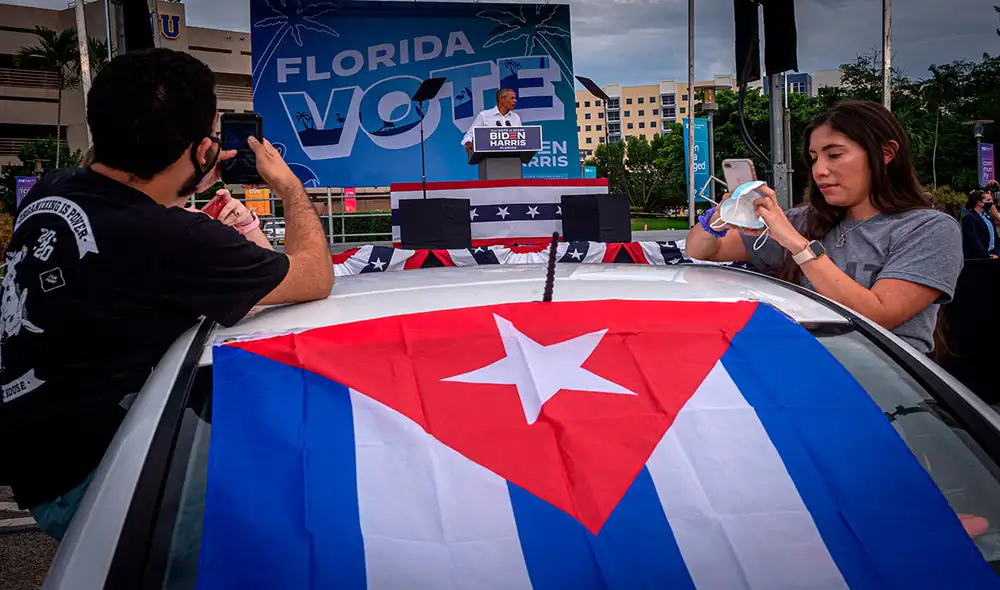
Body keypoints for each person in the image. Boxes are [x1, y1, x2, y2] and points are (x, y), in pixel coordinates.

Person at [0, 48, 334, 540]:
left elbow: (121, 195)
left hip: (35, 462)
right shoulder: (173, 240)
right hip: (101, 483)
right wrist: (287, 186)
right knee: (302, 510)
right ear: (202, 150)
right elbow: (315, 275)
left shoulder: (53, 188)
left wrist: (189, 172)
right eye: (215, 138)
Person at [686, 100, 962, 354]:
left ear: (886, 153)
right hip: (802, 374)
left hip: (886, 389)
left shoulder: (929, 229)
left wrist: (797, 245)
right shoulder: (807, 220)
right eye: (815, 157)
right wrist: (721, 215)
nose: (819, 170)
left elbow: (878, 315)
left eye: (835, 155)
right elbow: (702, 249)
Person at [462, 88, 521, 157]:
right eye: (512, 98)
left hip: (512, 158)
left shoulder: (515, 117)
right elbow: (468, 136)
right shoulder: (484, 115)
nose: (515, 101)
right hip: (489, 159)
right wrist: (468, 144)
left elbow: (521, 138)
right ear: (501, 99)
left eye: (515, 98)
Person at [961, 190, 999, 259]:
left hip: (993, 256)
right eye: (988, 200)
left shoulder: (988, 217)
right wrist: (987, 255)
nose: (991, 202)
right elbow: (973, 240)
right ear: (979, 203)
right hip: (978, 259)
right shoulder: (969, 217)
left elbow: (995, 237)